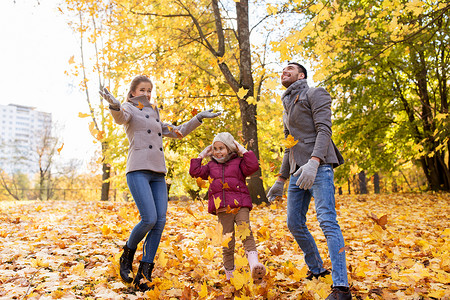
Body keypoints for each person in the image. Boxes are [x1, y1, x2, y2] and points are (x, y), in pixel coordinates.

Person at [99, 75, 221, 291]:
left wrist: (198, 118)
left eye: (149, 90)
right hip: (137, 169)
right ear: (133, 92)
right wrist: (113, 104)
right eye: (142, 90)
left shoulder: (154, 111)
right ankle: (127, 254)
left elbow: (178, 131)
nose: (146, 94)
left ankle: (144, 273)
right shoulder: (128, 107)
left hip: (158, 172)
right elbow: (120, 117)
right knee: (149, 219)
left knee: (160, 221)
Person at [266, 63, 351, 300]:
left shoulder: (315, 93)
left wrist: (315, 162)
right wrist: (281, 179)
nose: (284, 71)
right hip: (296, 172)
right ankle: (317, 269)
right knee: (294, 223)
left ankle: (341, 287)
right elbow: (289, 145)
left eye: (290, 68)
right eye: (282, 69)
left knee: (327, 221)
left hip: (318, 168)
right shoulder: (286, 104)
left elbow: (324, 130)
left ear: (301, 75)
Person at [189, 132, 266, 283]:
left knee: (246, 233)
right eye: (215, 148)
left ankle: (254, 266)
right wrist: (202, 154)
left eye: (221, 148)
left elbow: (253, 166)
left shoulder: (238, 162)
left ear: (230, 148)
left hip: (240, 206)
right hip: (223, 210)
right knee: (227, 243)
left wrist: (241, 149)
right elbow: (195, 172)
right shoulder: (210, 166)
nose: (217, 152)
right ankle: (230, 277)